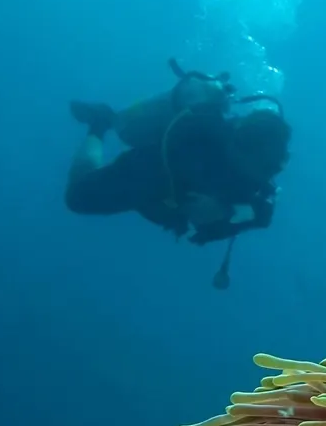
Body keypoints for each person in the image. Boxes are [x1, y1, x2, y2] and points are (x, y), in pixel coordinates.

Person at [65, 59, 291, 287]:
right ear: (240, 146)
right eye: (265, 165)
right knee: (77, 198)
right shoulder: (203, 135)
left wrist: (226, 210)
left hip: (173, 194)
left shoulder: (259, 170)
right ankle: (100, 123)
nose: (267, 174)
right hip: (157, 171)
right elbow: (183, 159)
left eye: (272, 166)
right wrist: (198, 205)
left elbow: (263, 214)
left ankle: (108, 123)